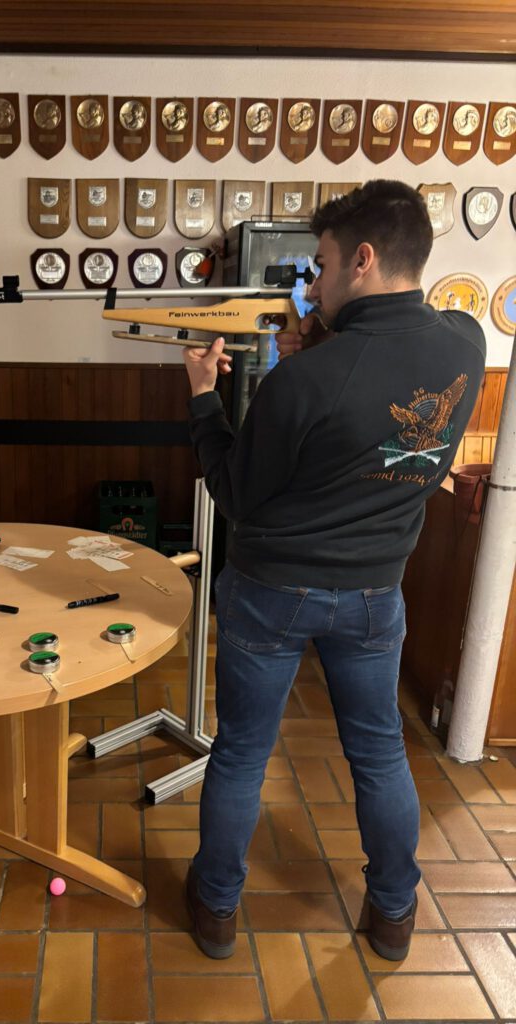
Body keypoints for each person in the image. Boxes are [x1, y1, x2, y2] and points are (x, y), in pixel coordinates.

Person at [182, 180, 486, 963]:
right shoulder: (465, 343)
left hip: (270, 593)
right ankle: (394, 914)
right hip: (376, 595)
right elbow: (381, 378)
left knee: (243, 751)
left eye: (320, 267)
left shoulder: (303, 381)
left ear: (363, 258)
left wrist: (204, 397)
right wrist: (321, 341)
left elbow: (235, 493)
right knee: (380, 752)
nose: (312, 287)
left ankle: (216, 908)